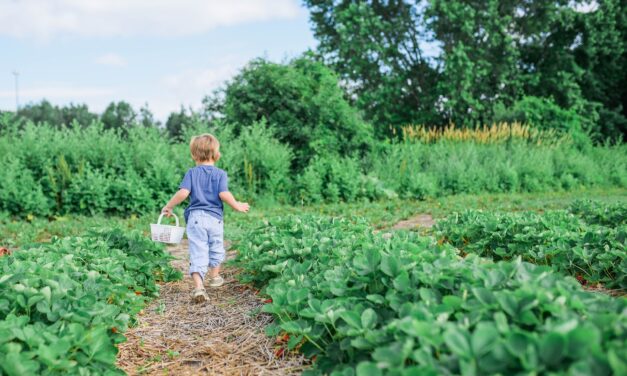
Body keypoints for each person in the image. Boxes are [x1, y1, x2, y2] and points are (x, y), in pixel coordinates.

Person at [161, 133, 250, 303]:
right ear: (216, 154)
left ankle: (199, 287)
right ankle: (215, 277)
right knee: (216, 247)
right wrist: (237, 205)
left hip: (195, 218)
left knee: (198, 251)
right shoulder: (220, 174)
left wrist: (169, 206)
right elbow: (224, 193)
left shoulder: (192, 173)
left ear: (194, 154)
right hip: (214, 219)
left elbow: (183, 193)